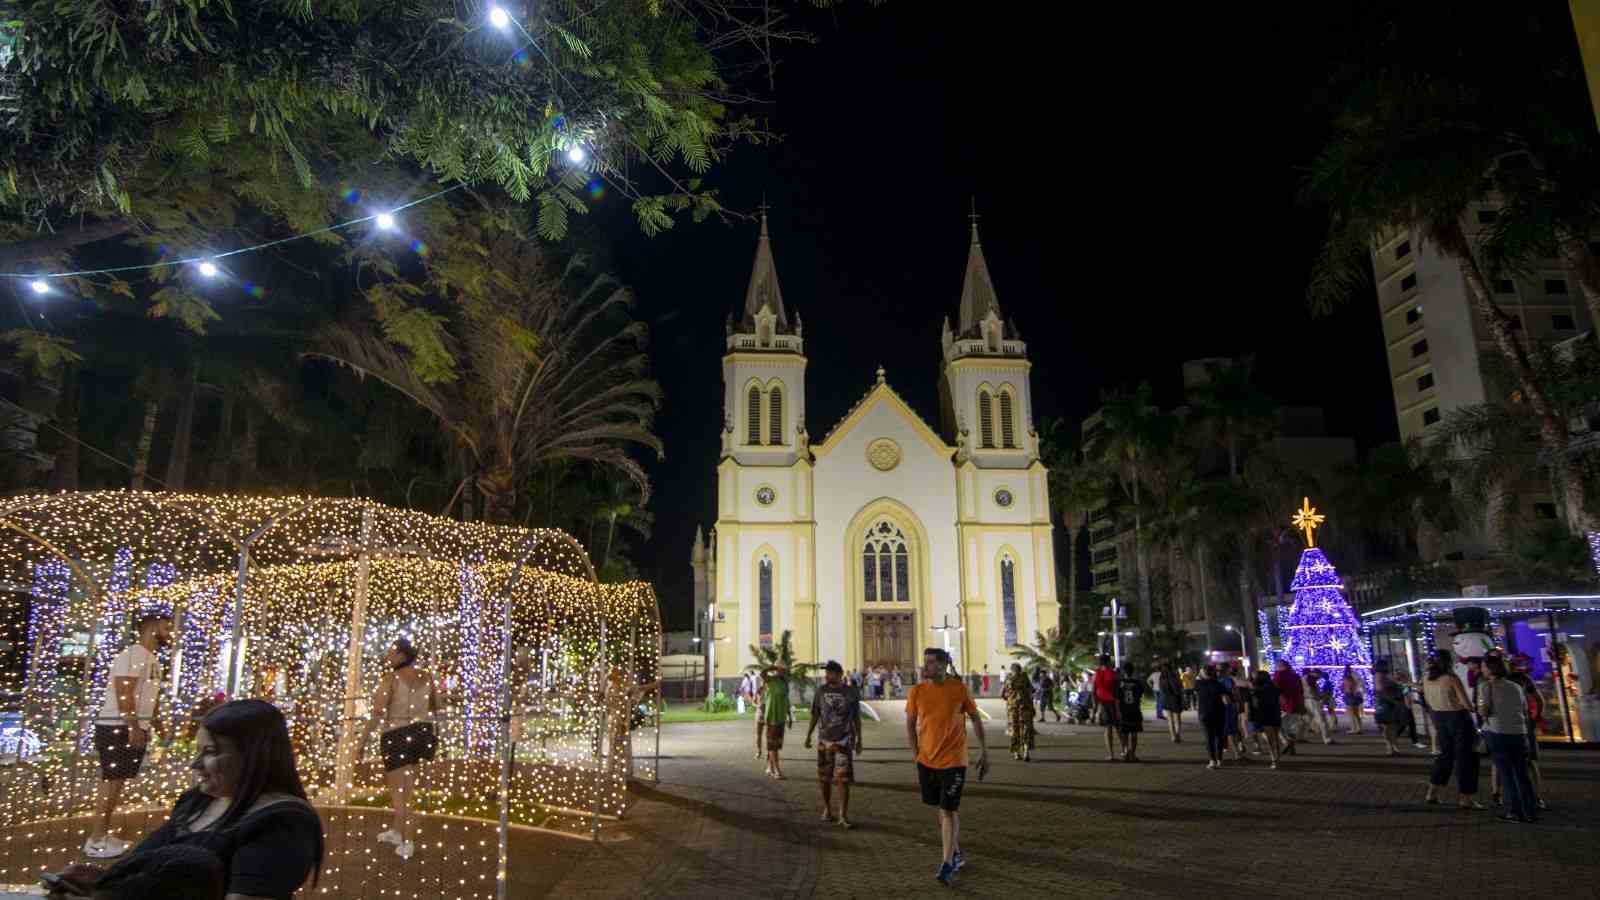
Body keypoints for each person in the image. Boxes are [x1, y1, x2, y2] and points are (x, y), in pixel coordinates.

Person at [47, 699, 324, 900]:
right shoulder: (196, 802)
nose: (195, 764)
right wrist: (101, 880)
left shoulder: (282, 823)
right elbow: (148, 865)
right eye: (198, 751)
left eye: (211, 752)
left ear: (254, 757)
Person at [85, 607, 174, 859]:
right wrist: (133, 726)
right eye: (166, 627)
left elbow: (151, 698)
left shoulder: (152, 660)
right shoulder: (132, 654)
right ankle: (96, 839)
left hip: (132, 727)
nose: (170, 633)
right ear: (152, 627)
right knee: (111, 783)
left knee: (118, 782)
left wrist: (157, 726)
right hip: (116, 726)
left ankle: (101, 835)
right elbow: (124, 692)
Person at [904, 647, 987, 886]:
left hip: (954, 760)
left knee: (948, 810)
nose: (925, 666)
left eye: (930, 663)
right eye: (925, 662)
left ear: (942, 665)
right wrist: (916, 753)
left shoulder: (959, 689)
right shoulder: (917, 692)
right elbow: (910, 724)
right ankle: (956, 852)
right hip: (927, 760)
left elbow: (975, 718)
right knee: (941, 809)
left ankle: (947, 864)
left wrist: (984, 750)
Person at [360, 636, 439, 860]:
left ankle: (408, 842)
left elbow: (377, 712)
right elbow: (438, 705)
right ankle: (397, 832)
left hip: (396, 736)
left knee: (401, 794)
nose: (387, 655)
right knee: (406, 787)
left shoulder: (391, 679)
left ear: (402, 655)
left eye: (391, 652)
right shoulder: (427, 677)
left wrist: (362, 741)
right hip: (421, 734)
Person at [1477, 654, 1537, 823]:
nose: (1482, 669)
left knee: (1507, 773)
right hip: (1519, 732)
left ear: (1489, 669)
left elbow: (1484, 711)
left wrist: (1480, 708)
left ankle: (1515, 811)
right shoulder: (1515, 686)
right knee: (1522, 773)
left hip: (1498, 732)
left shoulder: (1486, 687)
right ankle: (1530, 810)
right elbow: (1524, 709)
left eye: (1483, 666)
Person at [804, 661, 863, 828]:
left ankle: (843, 815)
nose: (826, 675)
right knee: (824, 778)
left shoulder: (850, 692)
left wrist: (859, 739)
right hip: (824, 742)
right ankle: (827, 809)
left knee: (843, 780)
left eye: (829, 673)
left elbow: (856, 718)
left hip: (843, 742)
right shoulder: (821, 691)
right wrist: (808, 735)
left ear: (839, 674)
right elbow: (815, 715)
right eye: (826, 673)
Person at [1422, 649, 1482, 809]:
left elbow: (1428, 700)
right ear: (1448, 662)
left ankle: (1432, 792)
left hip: (1440, 718)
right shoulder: (1451, 678)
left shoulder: (1426, 679)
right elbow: (1466, 703)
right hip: (1459, 718)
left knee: (1445, 756)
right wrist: (1475, 708)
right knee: (1466, 758)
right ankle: (1465, 797)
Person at [1503, 656, 1547, 810]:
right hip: (1522, 722)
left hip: (1511, 724)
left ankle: (1530, 797)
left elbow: (1539, 699)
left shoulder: (1514, 679)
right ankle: (1535, 797)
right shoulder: (1520, 679)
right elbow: (1539, 699)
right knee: (1529, 761)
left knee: (1519, 762)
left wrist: (1535, 716)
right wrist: (1536, 716)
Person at [1192, 664, 1232, 769]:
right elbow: (1226, 701)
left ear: (1204, 673)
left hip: (1205, 713)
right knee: (1219, 736)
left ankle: (1212, 761)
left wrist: (1201, 672)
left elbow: (1198, 677)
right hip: (1219, 713)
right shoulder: (1219, 685)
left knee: (1208, 737)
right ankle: (1219, 759)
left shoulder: (1198, 684)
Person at [760, 663, 792, 779]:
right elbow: (762, 673)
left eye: (784, 670)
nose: (782, 671)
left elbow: (786, 700)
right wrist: (771, 668)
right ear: (777, 670)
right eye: (780, 669)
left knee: (776, 745)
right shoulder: (770, 680)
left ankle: (770, 767)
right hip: (772, 717)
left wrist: (789, 716)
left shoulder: (785, 682)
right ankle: (777, 770)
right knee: (773, 745)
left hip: (781, 717)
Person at [1248, 671, 1283, 768]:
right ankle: (1278, 758)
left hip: (1264, 715)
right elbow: (1282, 701)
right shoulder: (1275, 688)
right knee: (1276, 738)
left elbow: (1255, 705)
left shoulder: (1256, 691)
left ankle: (1274, 759)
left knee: (1270, 739)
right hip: (1275, 713)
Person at [1000, 663, 1035, 761]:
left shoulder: (1008, 679)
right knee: (1026, 729)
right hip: (1025, 707)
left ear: (1011, 670)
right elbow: (1032, 690)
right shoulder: (1025, 678)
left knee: (1014, 730)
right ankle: (1026, 752)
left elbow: (1001, 694)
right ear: (1020, 670)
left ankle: (1016, 753)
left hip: (1013, 709)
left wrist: (1010, 699)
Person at [1272, 659, 1307, 756]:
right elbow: (1301, 692)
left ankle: (1286, 742)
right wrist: (1302, 705)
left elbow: (1276, 690)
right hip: (1295, 704)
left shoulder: (1277, 675)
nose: (1276, 668)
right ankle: (1291, 746)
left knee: (1278, 726)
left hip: (1282, 705)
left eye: (1277, 666)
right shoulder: (1295, 676)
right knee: (1292, 727)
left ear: (1280, 666)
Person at [1215, 663, 1245, 762]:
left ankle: (1228, 751)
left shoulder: (1214, 679)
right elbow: (1233, 692)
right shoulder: (1228, 679)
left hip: (1220, 708)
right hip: (1228, 707)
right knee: (1231, 730)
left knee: (1227, 730)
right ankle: (1237, 753)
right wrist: (1238, 702)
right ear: (1227, 670)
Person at [1115, 661, 1145, 762]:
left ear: (1124, 671)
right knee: (1134, 732)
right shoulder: (1137, 683)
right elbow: (1140, 694)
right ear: (1133, 671)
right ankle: (1133, 754)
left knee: (1124, 732)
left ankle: (1125, 751)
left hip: (1124, 710)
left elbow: (1117, 698)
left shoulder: (1120, 683)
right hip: (1135, 709)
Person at [1092, 655, 1119, 760]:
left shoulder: (1096, 674)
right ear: (1108, 662)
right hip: (1114, 702)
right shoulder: (1114, 674)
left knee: (1108, 729)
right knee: (1118, 728)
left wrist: (1095, 709)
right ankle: (1125, 750)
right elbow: (1117, 689)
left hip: (1103, 703)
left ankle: (1111, 754)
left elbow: (1094, 692)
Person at [1374, 671, 1406, 756]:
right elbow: (1387, 695)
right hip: (1387, 707)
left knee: (1391, 727)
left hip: (1389, 707)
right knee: (1389, 727)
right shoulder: (1387, 684)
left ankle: (1392, 746)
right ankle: (1391, 746)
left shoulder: (1389, 683)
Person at [1301, 668, 1335, 745]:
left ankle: (1300, 736)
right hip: (1313, 701)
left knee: (1306, 720)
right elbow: (1314, 690)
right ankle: (1327, 739)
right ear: (1315, 673)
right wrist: (1322, 695)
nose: (1319, 678)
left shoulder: (1303, 678)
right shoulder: (1310, 678)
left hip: (1306, 700)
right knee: (1322, 720)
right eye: (1319, 676)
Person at [1158, 661, 1183, 742]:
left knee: (1170, 719)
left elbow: (1161, 688)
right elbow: (1180, 686)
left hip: (1166, 699)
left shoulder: (1162, 677)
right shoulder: (1174, 675)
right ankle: (1178, 734)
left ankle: (1173, 736)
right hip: (1175, 699)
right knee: (1177, 719)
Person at [1340, 665, 1364, 734]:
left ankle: (1354, 728)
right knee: (1356, 713)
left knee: (1351, 714)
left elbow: (1344, 686)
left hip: (1349, 695)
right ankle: (1359, 728)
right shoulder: (1354, 676)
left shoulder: (1347, 677)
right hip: (1354, 696)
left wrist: (1344, 688)